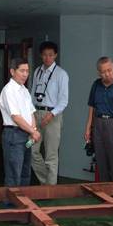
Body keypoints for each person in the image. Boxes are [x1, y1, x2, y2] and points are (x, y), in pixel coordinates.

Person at [31, 41, 69, 185]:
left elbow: (64, 100)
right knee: (31, 149)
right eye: (45, 55)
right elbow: (32, 93)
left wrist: (52, 114)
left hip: (53, 116)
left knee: (51, 155)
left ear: (55, 55)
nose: (47, 58)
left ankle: (50, 189)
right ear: (41, 55)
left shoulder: (61, 74)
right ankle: (46, 181)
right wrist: (31, 112)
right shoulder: (37, 71)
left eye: (51, 55)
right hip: (36, 114)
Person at [0, 58, 41, 188]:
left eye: (27, 71)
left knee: (25, 172)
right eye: (22, 71)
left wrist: (33, 130)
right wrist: (33, 131)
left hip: (26, 134)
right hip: (14, 134)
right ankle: (11, 201)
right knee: (14, 174)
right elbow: (16, 117)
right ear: (12, 71)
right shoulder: (8, 90)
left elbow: (31, 112)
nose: (25, 74)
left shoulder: (24, 90)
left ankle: (23, 199)